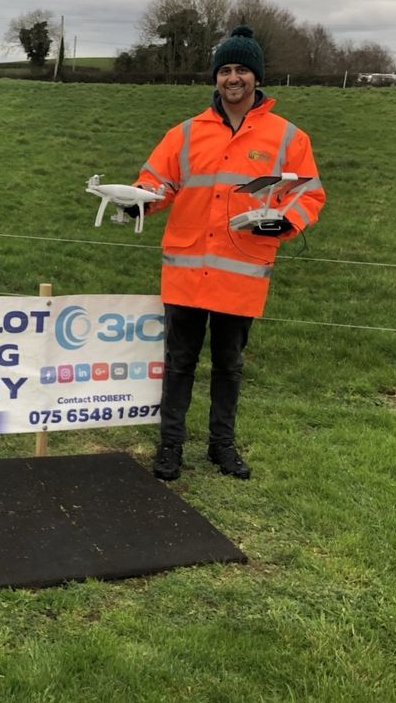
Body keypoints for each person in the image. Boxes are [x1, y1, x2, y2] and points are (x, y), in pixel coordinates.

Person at [131, 25, 325, 481]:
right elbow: (156, 183)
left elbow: (309, 193)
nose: (232, 78)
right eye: (224, 70)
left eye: (241, 69)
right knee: (179, 364)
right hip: (185, 271)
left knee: (228, 366)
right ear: (215, 78)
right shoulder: (185, 133)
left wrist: (286, 221)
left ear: (256, 77)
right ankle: (170, 447)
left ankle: (221, 446)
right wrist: (136, 197)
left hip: (241, 273)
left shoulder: (288, 137)